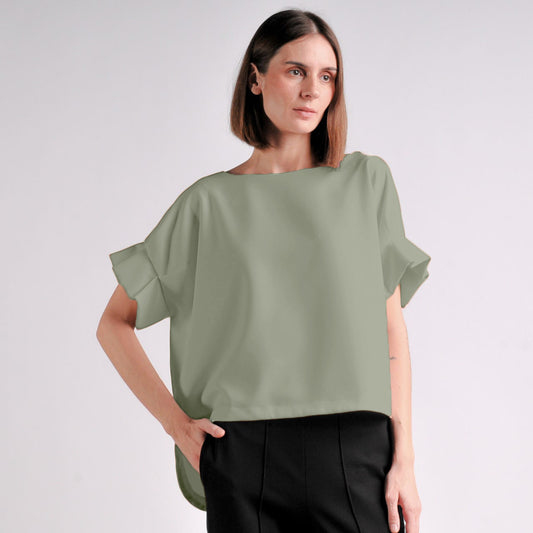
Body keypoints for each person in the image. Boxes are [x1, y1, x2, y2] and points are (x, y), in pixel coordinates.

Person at [96, 8, 430, 533]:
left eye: (327, 76)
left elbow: (391, 333)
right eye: (296, 71)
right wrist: (176, 426)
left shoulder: (365, 183)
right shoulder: (207, 204)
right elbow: (114, 323)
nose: (313, 90)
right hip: (243, 452)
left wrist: (404, 459)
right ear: (255, 78)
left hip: (355, 445)